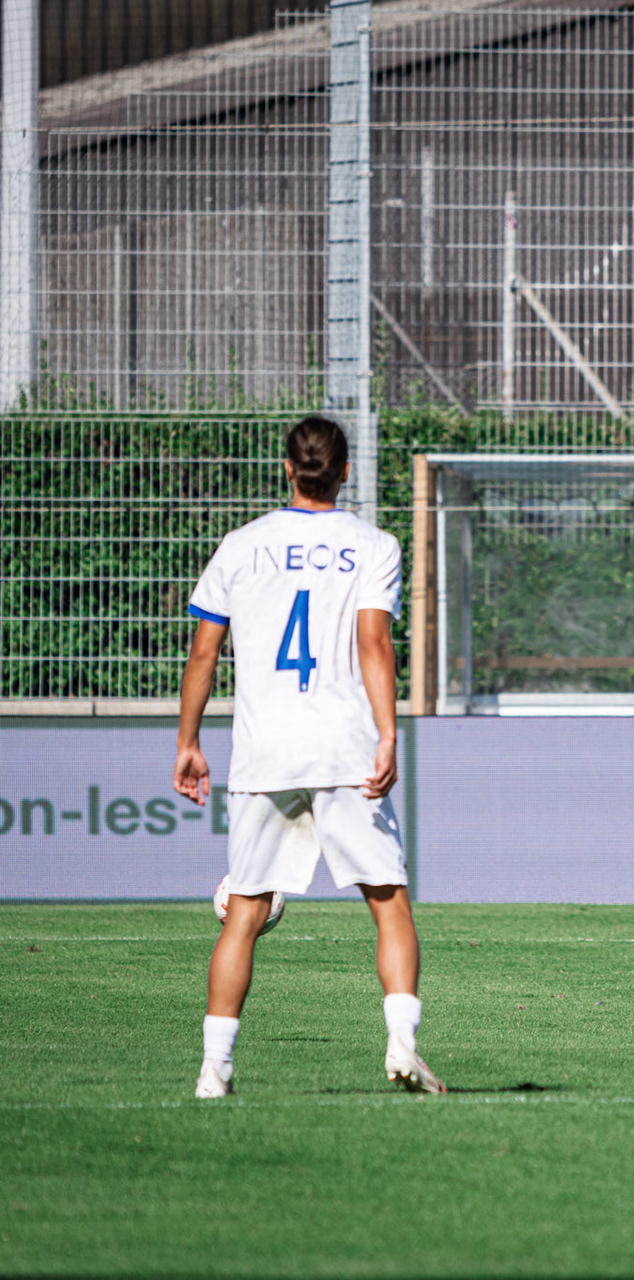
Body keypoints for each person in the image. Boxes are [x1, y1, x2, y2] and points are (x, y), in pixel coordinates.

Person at [174, 415, 445, 1099]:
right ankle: (403, 1044)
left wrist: (188, 742)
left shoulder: (241, 545)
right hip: (344, 747)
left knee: (245, 910)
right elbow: (374, 645)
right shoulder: (373, 545)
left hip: (264, 752)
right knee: (389, 902)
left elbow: (203, 653)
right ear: (346, 472)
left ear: (288, 468)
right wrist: (388, 734)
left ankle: (215, 1068)